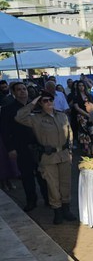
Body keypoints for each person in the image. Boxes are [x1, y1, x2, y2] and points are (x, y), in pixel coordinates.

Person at [15, 91, 76, 224]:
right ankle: (57, 211)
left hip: (64, 155)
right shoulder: (36, 119)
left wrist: (70, 152)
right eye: (45, 101)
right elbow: (19, 117)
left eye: (51, 100)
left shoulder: (62, 116)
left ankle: (66, 209)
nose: (49, 102)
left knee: (65, 184)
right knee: (52, 185)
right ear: (40, 104)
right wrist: (33, 102)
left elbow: (69, 133)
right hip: (48, 157)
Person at [0, 82, 48, 211]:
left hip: (39, 146)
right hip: (21, 147)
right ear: (14, 93)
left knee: (43, 175)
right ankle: (31, 201)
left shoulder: (37, 106)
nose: (22, 91)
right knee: (27, 176)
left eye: (24, 89)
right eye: (19, 90)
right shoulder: (7, 109)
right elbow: (5, 131)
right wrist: (10, 149)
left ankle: (48, 199)